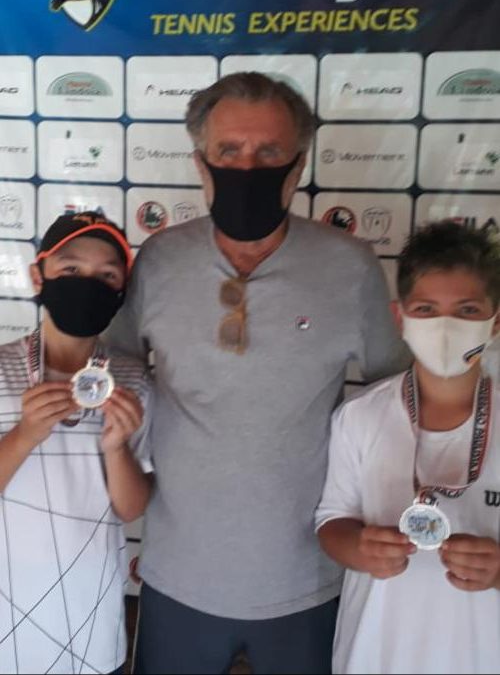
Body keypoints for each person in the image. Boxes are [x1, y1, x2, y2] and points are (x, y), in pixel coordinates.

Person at [108, 71, 408, 675]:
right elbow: (114, 377)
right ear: (201, 163)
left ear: (297, 167)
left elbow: (396, 404)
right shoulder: (159, 260)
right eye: (229, 151)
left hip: (308, 579)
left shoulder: (350, 266)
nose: (248, 167)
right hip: (177, 575)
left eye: (269, 152)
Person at [316, 221, 500, 674]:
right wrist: (359, 548)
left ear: (495, 320)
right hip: (376, 650)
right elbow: (331, 522)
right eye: (426, 309)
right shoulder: (359, 416)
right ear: (400, 319)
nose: (445, 327)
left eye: (467, 310)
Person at [0, 212, 153, 675]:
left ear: (121, 292)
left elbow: (132, 507)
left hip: (90, 625)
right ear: (38, 276)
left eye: (107, 276)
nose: (88, 283)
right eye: (71, 269)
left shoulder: (131, 380)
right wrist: (24, 435)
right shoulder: (2, 367)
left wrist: (116, 448)